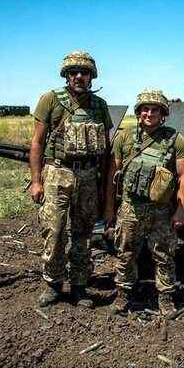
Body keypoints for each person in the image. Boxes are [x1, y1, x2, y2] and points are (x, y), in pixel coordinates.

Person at [30, 51, 113, 309]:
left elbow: (106, 150)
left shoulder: (99, 105)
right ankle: (53, 284)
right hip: (57, 173)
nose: (79, 76)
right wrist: (36, 181)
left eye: (84, 72)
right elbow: (37, 143)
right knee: (54, 232)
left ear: (91, 76)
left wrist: (102, 186)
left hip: (88, 175)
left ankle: (79, 286)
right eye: (73, 72)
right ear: (66, 75)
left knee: (84, 233)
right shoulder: (51, 99)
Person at [105, 90, 184, 315]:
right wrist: (109, 208)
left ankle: (166, 299)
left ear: (163, 114)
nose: (149, 113)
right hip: (130, 208)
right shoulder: (125, 137)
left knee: (164, 254)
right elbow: (113, 173)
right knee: (126, 253)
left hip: (160, 210)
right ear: (139, 112)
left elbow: (183, 177)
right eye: (145, 109)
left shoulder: (175, 139)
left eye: (155, 110)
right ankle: (123, 296)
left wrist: (180, 211)